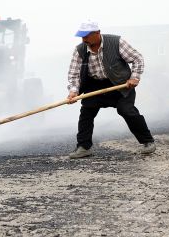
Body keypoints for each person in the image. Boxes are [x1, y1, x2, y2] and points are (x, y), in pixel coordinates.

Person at [66, 21, 156, 158]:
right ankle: (84, 147)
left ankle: (148, 142)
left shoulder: (116, 42)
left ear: (97, 33)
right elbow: (74, 74)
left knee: (126, 110)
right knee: (86, 113)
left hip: (120, 84)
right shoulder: (80, 50)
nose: (84, 39)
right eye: (82, 36)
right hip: (95, 85)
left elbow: (137, 59)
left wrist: (134, 77)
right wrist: (73, 91)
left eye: (86, 36)